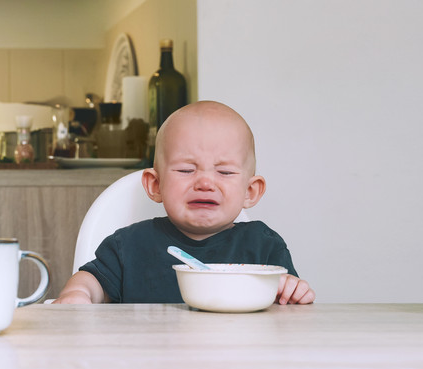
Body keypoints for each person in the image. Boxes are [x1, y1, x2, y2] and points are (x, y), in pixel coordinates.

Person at [53, 100, 314, 305]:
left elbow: (287, 302)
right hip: (148, 365)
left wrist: (293, 291)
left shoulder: (264, 247)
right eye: (186, 170)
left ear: (250, 191)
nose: (205, 183)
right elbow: (92, 282)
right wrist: (78, 293)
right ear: (156, 185)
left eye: (224, 172)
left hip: (237, 364)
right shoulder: (128, 247)